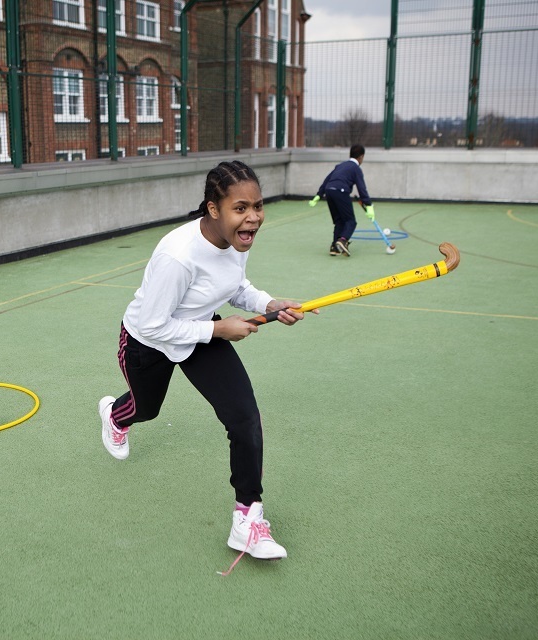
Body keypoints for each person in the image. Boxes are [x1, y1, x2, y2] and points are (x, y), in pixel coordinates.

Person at [98, 160, 316, 570]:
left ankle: (247, 517)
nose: (253, 217)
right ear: (213, 209)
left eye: (258, 206)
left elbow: (236, 287)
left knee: (245, 418)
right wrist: (217, 331)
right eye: (241, 208)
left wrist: (268, 303)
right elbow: (153, 323)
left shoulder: (236, 241)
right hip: (148, 340)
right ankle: (114, 415)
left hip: (201, 333)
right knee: (145, 409)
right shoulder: (178, 257)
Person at [309, 143, 375, 257]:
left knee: (339, 221)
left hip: (329, 191)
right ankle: (343, 240)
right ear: (361, 157)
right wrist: (368, 205)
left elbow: (327, 180)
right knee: (351, 221)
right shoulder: (356, 168)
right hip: (341, 191)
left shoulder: (340, 166)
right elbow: (361, 188)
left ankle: (334, 247)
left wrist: (319, 195)